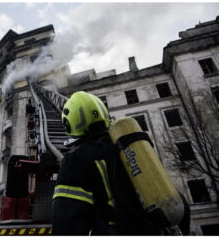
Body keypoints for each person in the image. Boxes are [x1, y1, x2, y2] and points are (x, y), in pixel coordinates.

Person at [52, 91, 190, 235]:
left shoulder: (75, 159)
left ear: (69, 124)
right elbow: (180, 205)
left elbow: (67, 222)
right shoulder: (133, 147)